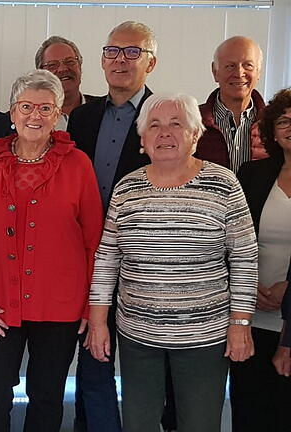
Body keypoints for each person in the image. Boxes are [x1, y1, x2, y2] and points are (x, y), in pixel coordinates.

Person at [86, 93, 258, 432]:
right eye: (155, 126)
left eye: (176, 124)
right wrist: (97, 321)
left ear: (195, 134)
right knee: (138, 423)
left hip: (203, 336)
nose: (165, 133)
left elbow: (244, 256)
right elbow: (107, 258)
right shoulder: (127, 189)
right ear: (142, 139)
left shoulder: (223, 184)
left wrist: (240, 324)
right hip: (138, 334)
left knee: (199, 424)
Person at [0, 69, 103, 431]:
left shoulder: (78, 165)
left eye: (45, 108)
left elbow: (94, 241)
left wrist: (90, 305)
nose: (35, 116)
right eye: (26, 107)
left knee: (48, 397)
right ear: (11, 112)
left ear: (57, 116)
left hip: (60, 305)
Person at [66, 20, 157, 432]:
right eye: (112, 51)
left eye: (132, 51)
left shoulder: (164, 118)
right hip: (86, 255)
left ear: (150, 62)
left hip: (145, 260)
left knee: (145, 364)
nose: (121, 60)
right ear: (102, 61)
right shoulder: (82, 117)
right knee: (94, 357)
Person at [230, 88, 291, 431]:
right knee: (249, 410)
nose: (290, 127)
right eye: (283, 120)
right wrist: (248, 286)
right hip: (250, 314)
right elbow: (232, 242)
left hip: (289, 323)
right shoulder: (253, 176)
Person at [196, 36, 266, 172]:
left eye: (248, 65)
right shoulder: (192, 121)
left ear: (259, 72)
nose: (239, 73)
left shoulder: (274, 124)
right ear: (215, 72)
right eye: (230, 66)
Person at [34, 36, 100, 130]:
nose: (63, 69)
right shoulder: (29, 118)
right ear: (41, 74)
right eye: (52, 65)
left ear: (80, 68)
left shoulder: (104, 110)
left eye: (70, 62)